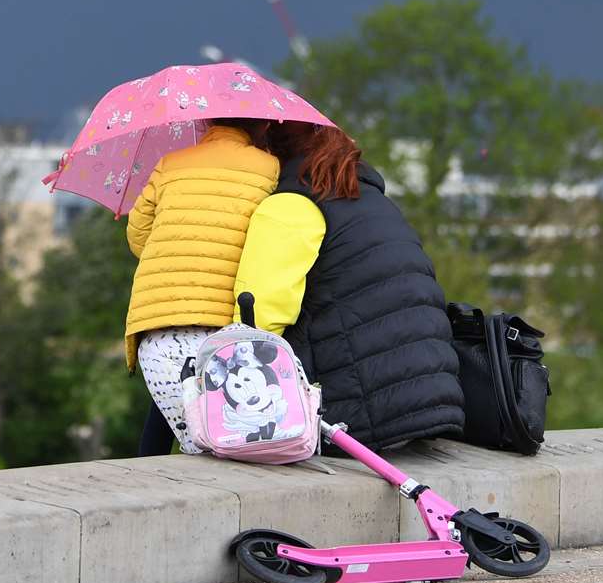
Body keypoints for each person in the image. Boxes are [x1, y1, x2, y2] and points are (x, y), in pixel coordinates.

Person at [232, 121, 464, 451]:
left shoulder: (291, 205)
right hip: (430, 406)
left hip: (358, 420)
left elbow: (257, 320)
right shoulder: (378, 204)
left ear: (273, 154)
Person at [125, 117, 278, 455]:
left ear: (207, 121)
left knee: (187, 435)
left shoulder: (170, 164)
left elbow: (137, 237)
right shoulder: (269, 168)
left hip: (160, 326)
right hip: (228, 332)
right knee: (227, 448)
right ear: (262, 126)